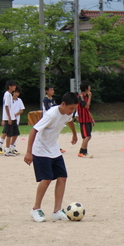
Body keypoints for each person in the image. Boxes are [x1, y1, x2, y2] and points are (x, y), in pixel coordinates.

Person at [24, 92, 79, 223]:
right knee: (47, 179)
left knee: (62, 177)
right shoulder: (51, 114)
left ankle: (57, 211)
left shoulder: (68, 112)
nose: (73, 111)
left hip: (54, 149)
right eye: (71, 108)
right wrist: (28, 152)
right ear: (63, 104)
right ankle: (35, 209)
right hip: (41, 150)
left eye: (75, 108)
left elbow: (70, 120)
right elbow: (34, 130)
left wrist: (74, 134)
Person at [43, 85, 66, 154]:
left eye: (53, 90)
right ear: (47, 91)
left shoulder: (52, 99)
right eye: (50, 90)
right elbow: (47, 108)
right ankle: (48, 147)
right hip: (48, 118)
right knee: (48, 133)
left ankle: (54, 146)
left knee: (54, 132)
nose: (52, 91)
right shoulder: (46, 99)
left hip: (53, 117)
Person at [76, 81, 95, 158]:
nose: (90, 88)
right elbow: (87, 106)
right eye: (89, 86)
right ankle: (81, 151)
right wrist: (90, 97)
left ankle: (84, 151)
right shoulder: (80, 97)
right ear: (86, 88)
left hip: (87, 119)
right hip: (83, 120)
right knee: (87, 136)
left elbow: (88, 110)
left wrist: (92, 119)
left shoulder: (86, 97)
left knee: (86, 136)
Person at [0, 80, 17, 156]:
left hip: (12, 117)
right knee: (9, 134)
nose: (15, 87)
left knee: (12, 133)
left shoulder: (10, 95)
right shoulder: (7, 94)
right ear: (10, 86)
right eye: (14, 85)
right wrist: (9, 118)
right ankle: (7, 149)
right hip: (9, 118)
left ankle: (9, 148)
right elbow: (6, 106)